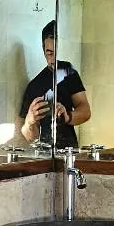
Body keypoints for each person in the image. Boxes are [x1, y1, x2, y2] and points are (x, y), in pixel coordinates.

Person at [16, 20, 91, 149]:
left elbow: (86, 111)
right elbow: (28, 136)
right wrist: (30, 121)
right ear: (43, 49)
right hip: (44, 155)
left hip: (69, 152)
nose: (52, 58)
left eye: (55, 52)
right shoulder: (34, 86)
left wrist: (68, 116)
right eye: (49, 52)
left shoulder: (68, 71)